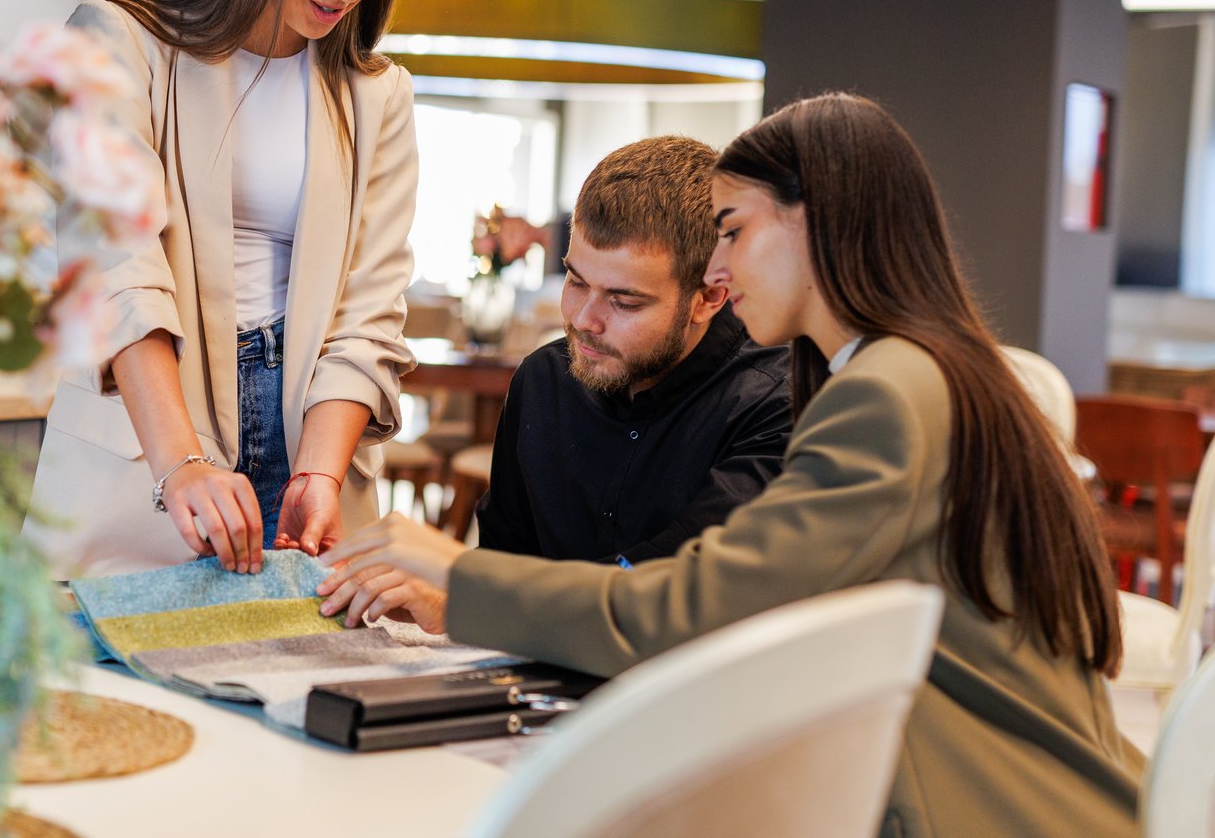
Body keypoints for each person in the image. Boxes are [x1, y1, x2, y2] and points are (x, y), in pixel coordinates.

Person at [319, 93, 1142, 836]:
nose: (718, 270)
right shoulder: (917, 369)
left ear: (813, 223)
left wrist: (460, 577)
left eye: (734, 232)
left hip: (983, 805)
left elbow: (702, 609)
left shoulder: (886, 394)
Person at [23, 0, 420, 579]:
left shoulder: (379, 97)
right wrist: (182, 464)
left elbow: (370, 310)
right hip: (153, 429)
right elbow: (118, 265)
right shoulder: (118, 45)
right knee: (114, 687)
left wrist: (319, 472)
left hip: (315, 441)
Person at [326, 136, 793, 631]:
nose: (583, 320)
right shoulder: (542, 382)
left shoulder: (773, 407)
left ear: (709, 297)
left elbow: (670, 606)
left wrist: (465, 597)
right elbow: (507, 564)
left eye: (624, 302)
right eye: (576, 281)